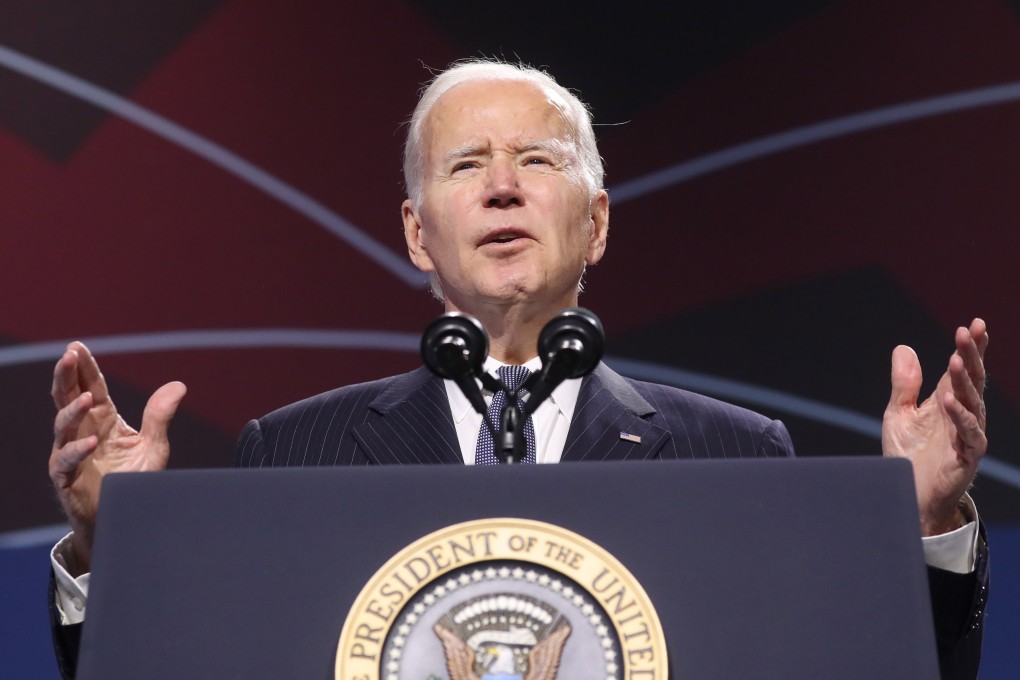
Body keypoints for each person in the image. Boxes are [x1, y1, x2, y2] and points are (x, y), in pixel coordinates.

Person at [48, 60, 989, 679]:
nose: (502, 184)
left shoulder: (734, 450)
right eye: (466, 166)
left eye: (536, 159)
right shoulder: (296, 450)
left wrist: (923, 530)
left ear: (599, 222)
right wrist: (110, 550)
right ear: (417, 233)